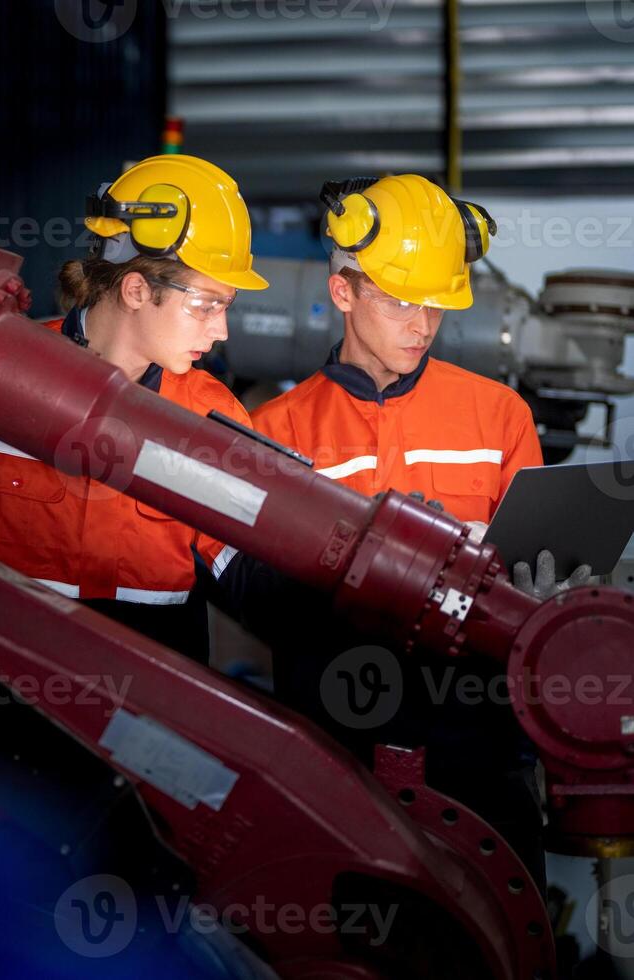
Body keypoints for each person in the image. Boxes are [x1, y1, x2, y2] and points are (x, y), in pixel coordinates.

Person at [216, 174, 587, 890]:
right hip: (339, 742)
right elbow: (255, 602)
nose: (421, 324)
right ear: (344, 292)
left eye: (435, 305)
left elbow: (538, 560)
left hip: (480, 744)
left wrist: (554, 591)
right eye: (399, 301)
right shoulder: (277, 434)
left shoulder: (499, 414)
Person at [0, 154, 269, 661]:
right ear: (137, 289)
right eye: (206, 305)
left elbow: (249, 574)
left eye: (227, 307)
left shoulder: (209, 415)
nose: (221, 331)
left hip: (148, 695)